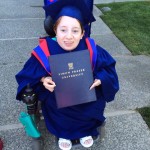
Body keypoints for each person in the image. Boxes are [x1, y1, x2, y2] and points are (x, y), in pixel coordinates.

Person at [15, 0, 119, 150]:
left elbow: (108, 69)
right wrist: (44, 79)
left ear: (83, 33)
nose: (69, 36)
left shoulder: (92, 48)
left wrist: (100, 79)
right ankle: (63, 133)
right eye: (63, 30)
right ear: (55, 30)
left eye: (75, 31)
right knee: (56, 106)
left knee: (93, 104)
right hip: (58, 100)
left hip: (86, 97)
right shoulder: (44, 50)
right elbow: (27, 76)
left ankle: (85, 131)